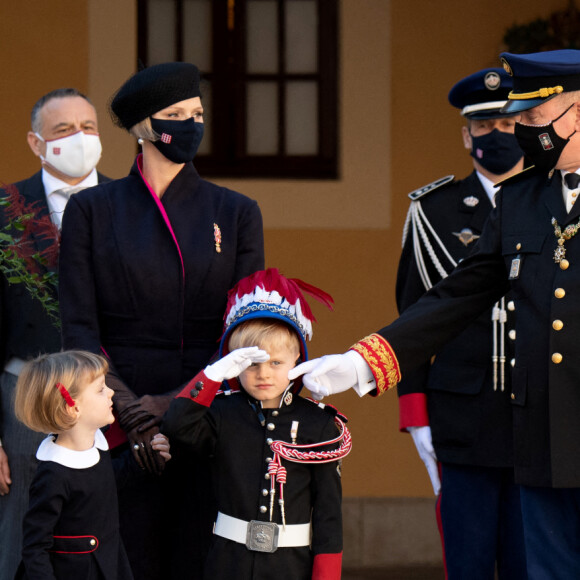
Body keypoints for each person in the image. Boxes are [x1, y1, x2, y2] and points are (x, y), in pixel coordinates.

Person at [290, 49, 580, 578]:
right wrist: (362, 363)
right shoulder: (522, 199)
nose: (522, 134)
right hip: (542, 445)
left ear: (576, 114)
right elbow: (457, 295)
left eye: (533, 119)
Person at [58, 62, 265, 579]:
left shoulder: (236, 211)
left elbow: (245, 331)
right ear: (142, 128)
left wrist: (173, 407)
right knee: (127, 558)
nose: (192, 125)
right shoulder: (91, 209)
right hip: (117, 416)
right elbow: (79, 329)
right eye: (176, 115)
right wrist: (134, 416)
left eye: (197, 114)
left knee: (201, 559)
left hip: (206, 412)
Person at [396, 67, 526, 579]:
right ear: (466, 134)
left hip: (536, 414)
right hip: (460, 414)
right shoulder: (433, 210)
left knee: (532, 562)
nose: (496, 135)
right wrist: (415, 412)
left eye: (507, 124)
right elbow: (412, 318)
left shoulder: (554, 204)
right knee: (467, 561)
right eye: (484, 126)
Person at [163, 268, 347, 580]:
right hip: (227, 564)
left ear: (297, 363)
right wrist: (211, 376)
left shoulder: (320, 425)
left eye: (276, 363)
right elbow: (176, 426)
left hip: (291, 567)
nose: (264, 374)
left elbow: (329, 516)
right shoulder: (221, 413)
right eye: (252, 363)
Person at [0, 88, 108, 580]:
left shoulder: (127, 205)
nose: (78, 138)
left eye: (88, 127)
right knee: (20, 531)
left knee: (105, 531)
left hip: (111, 396)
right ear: (36, 142)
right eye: (63, 130)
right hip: (23, 396)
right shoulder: (5, 209)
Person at [12, 350, 171, 579]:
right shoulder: (53, 474)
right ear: (73, 407)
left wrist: (149, 455)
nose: (112, 393)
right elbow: (35, 547)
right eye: (100, 389)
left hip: (110, 565)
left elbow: (107, 480)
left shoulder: (97, 444)